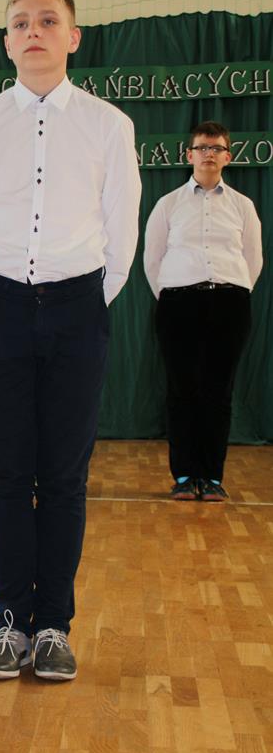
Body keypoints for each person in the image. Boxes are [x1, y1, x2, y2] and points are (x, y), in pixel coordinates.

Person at [0, 0, 141, 681]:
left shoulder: (109, 126)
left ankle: (53, 624)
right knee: (4, 475)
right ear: (6, 41)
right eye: (21, 21)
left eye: (48, 20)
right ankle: (9, 625)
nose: (34, 31)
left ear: (72, 37)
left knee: (63, 476)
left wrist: (81, 299)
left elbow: (121, 234)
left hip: (77, 306)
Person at [143, 120, 262, 502]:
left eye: (216, 148)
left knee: (218, 391)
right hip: (179, 303)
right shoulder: (168, 204)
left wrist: (233, 290)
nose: (209, 154)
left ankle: (210, 476)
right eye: (202, 147)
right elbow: (152, 259)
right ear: (189, 154)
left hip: (229, 304)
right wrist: (174, 293)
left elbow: (253, 258)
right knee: (181, 390)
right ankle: (183, 476)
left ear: (228, 156)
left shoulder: (243, 206)